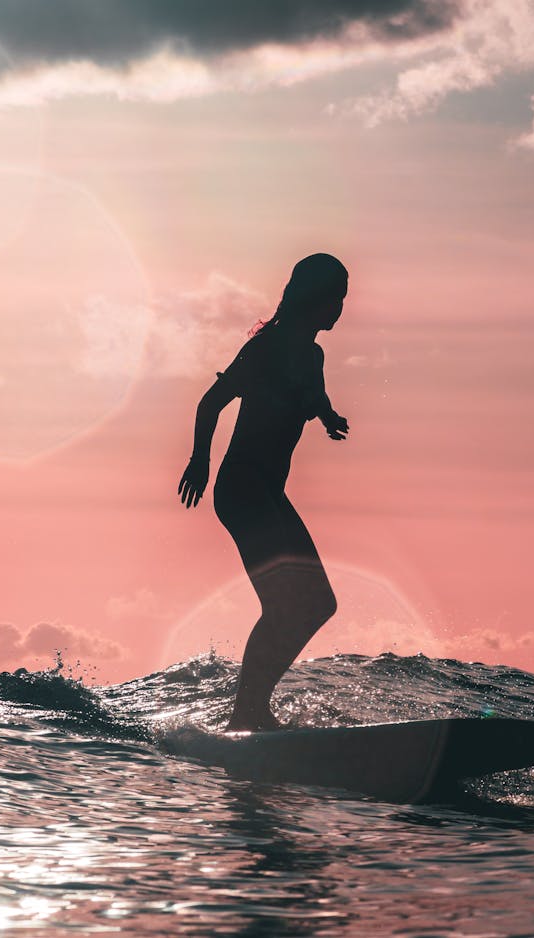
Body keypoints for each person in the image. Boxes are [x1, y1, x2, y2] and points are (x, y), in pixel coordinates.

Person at [177, 253, 349, 731]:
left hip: (270, 493)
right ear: (314, 299)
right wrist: (199, 460)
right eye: (336, 298)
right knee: (282, 606)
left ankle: (253, 708)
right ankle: (247, 713)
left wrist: (330, 418)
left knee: (319, 604)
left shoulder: (313, 355)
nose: (340, 308)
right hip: (241, 490)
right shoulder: (267, 347)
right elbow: (212, 402)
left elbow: (313, 396)